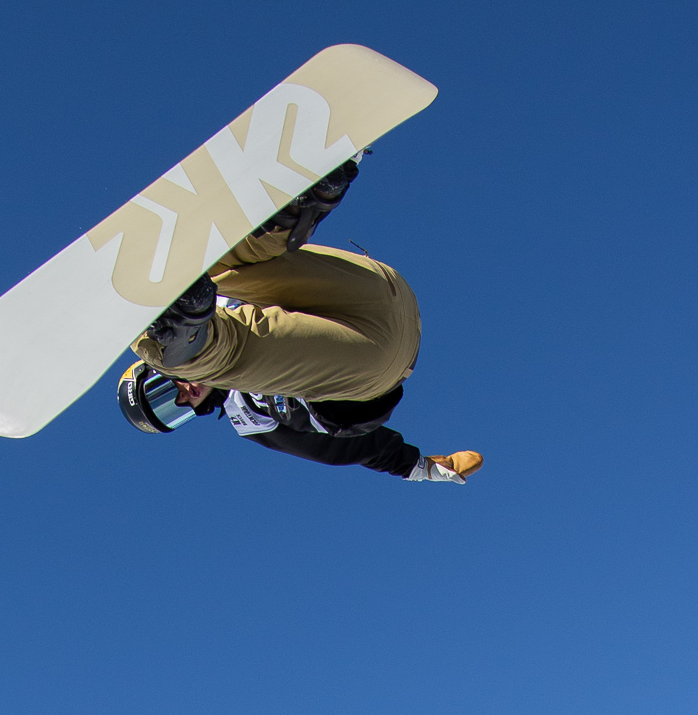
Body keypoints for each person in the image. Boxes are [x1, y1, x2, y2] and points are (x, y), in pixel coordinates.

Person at [119, 160, 482, 485]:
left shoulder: (211, 300)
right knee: (217, 349)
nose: (183, 396)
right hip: (371, 362)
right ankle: (174, 341)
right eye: (173, 411)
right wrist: (418, 466)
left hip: (368, 292)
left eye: (162, 390)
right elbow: (336, 450)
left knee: (205, 269)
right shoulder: (249, 418)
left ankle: (300, 199)